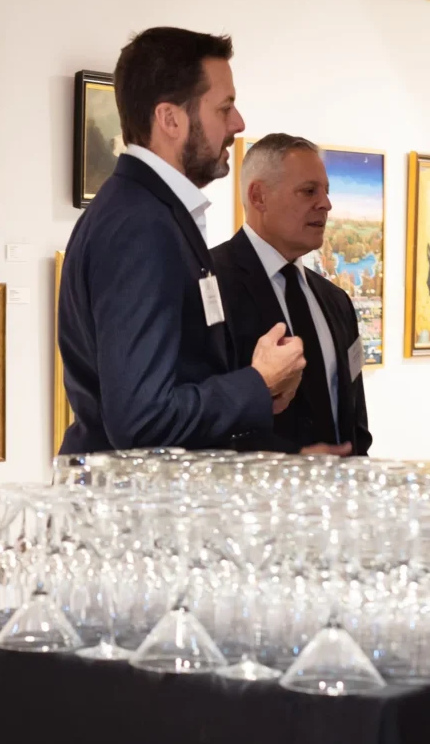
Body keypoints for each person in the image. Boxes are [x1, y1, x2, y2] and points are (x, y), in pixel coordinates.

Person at [58, 27, 305, 454]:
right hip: (134, 496)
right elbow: (141, 422)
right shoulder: (141, 226)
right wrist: (257, 382)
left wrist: (259, 386)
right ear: (170, 120)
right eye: (224, 108)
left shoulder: (145, 210)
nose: (238, 123)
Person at [211, 133, 371, 456]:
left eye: (326, 191)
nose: (325, 204)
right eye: (309, 191)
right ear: (259, 197)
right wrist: (291, 464)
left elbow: (355, 425)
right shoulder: (209, 285)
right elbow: (199, 420)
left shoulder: (336, 301)